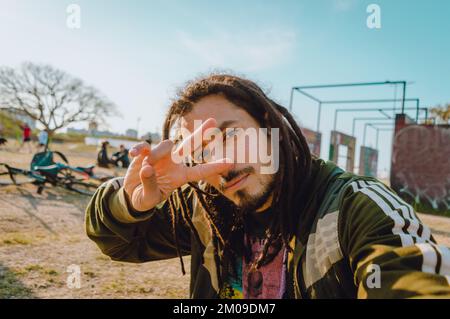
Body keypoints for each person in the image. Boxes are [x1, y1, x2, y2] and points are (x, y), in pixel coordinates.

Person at [86, 74, 450, 299]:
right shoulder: (206, 209)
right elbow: (118, 243)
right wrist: (131, 204)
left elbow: (410, 278)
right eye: (201, 150)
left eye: (228, 135)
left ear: (267, 125)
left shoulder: (354, 208)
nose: (221, 164)